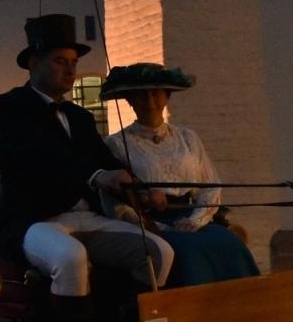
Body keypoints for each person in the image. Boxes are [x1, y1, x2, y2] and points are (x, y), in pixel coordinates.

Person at [0, 14, 173, 322]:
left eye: (73, 62)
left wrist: (143, 192)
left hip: (84, 219)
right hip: (33, 222)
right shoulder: (8, 109)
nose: (70, 69)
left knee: (157, 252)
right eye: (59, 60)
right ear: (32, 63)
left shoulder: (81, 118)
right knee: (71, 260)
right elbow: (38, 159)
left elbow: (106, 161)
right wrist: (95, 175)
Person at [100, 63, 260, 287]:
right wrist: (155, 226)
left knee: (230, 243)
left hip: (191, 218)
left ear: (167, 96)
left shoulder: (187, 138)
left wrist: (195, 220)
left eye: (156, 93)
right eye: (141, 95)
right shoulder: (116, 144)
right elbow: (115, 203)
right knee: (187, 253)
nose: (150, 101)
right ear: (130, 100)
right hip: (151, 225)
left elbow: (209, 185)